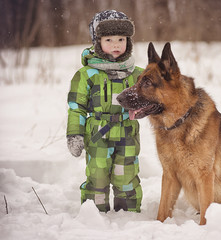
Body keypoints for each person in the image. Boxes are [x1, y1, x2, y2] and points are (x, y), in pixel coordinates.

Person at [66, 10, 143, 213]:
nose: (116, 44)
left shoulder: (137, 74)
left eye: (121, 39)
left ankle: (129, 215)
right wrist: (75, 134)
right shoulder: (86, 74)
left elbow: (157, 96)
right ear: (97, 41)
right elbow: (76, 107)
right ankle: (95, 215)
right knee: (97, 176)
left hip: (127, 133)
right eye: (108, 39)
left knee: (126, 176)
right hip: (98, 133)